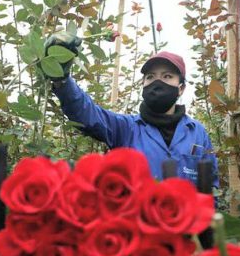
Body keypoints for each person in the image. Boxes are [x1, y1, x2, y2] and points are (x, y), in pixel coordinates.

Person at [45, 32, 219, 186]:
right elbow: (87, 114)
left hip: (186, 223)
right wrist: (62, 80)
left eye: (167, 76)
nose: (157, 83)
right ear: (143, 85)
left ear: (181, 88)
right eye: (150, 77)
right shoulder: (126, 128)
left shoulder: (197, 134)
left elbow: (209, 189)